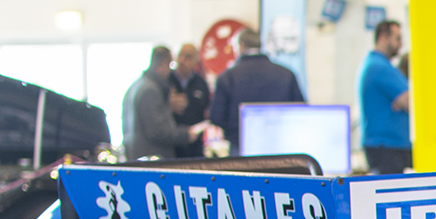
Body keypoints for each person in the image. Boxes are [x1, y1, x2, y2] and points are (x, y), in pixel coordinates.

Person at [208, 27, 304, 155]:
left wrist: (233, 132)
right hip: (279, 146)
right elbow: (300, 110)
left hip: (241, 146)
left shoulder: (227, 77)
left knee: (242, 176)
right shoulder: (287, 74)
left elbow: (216, 117)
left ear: (241, 46)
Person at [358, 19, 413, 173]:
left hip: (388, 147)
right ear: (383, 37)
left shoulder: (376, 64)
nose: (401, 44)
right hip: (387, 148)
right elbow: (412, 103)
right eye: (397, 38)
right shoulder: (379, 67)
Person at [121, 46, 195, 161]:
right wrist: (186, 134)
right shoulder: (150, 90)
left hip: (135, 156)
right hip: (151, 160)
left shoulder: (135, 86)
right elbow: (157, 131)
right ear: (165, 63)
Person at [170, 42, 211, 158]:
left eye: (187, 57)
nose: (182, 60)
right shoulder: (167, 82)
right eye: (180, 55)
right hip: (172, 146)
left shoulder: (201, 84)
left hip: (195, 146)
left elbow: (207, 111)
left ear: (195, 60)